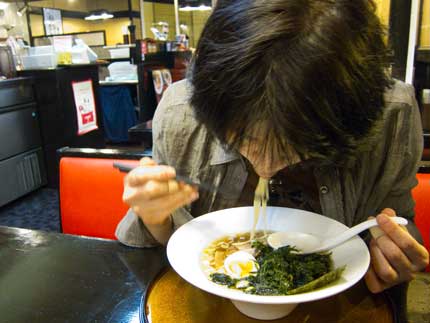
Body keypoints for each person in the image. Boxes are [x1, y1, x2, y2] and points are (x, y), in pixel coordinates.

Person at [116, 0, 429, 299]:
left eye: (295, 146)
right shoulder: (182, 114)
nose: (265, 167)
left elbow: (398, 219)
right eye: (243, 138)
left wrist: (395, 251)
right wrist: (156, 217)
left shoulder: (390, 116)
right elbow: (165, 248)